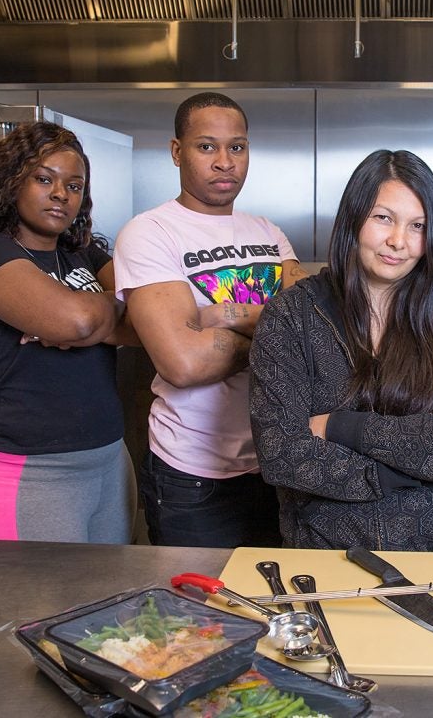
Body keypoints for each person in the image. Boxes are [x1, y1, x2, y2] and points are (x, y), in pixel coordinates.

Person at [250, 149, 433, 550]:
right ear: (354, 218)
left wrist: (336, 427)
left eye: (417, 225)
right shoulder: (291, 316)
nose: (398, 241)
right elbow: (281, 453)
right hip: (324, 550)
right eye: (383, 218)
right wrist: (419, 454)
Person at [113, 92, 307, 548]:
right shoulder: (150, 232)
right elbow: (184, 364)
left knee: (274, 608)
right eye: (207, 147)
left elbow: (311, 331)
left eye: (236, 147)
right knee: (202, 617)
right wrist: (276, 332)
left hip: (275, 465)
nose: (225, 162)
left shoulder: (269, 233)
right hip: (194, 477)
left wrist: (225, 314)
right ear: (178, 151)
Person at [0, 121, 139, 544]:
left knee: (110, 603)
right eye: (44, 179)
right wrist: (93, 316)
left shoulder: (82, 252)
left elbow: (145, 320)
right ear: (11, 180)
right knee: (35, 609)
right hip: (32, 474)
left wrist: (86, 317)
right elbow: (77, 322)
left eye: (74, 186)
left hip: (108, 460)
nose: (61, 194)